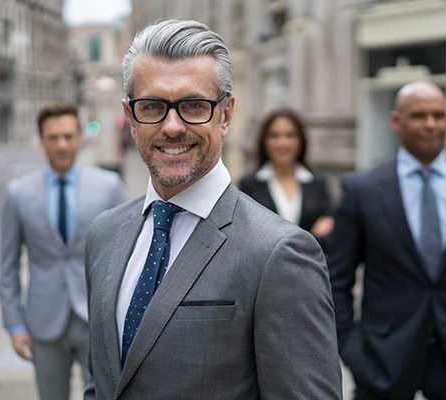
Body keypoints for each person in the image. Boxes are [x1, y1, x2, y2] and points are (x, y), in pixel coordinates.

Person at [84, 19, 342, 400]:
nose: (172, 127)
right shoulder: (104, 234)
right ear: (130, 117)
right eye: (153, 106)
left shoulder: (280, 253)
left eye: (193, 106)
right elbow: (103, 383)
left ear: (226, 114)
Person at [328, 81, 446, 400]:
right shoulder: (362, 189)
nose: (431, 124)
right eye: (419, 116)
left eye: (439, 115)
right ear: (396, 122)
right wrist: (350, 345)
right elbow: (337, 279)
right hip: (382, 360)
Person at [0, 102, 125, 400]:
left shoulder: (108, 186)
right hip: (43, 321)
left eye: (68, 136)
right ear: (41, 140)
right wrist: (14, 324)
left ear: (80, 137)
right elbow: (8, 266)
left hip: (95, 318)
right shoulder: (18, 193)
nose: (62, 145)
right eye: (53, 137)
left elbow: (127, 253)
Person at [239, 108, 333, 246]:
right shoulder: (249, 185)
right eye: (274, 136)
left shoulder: (317, 184)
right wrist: (311, 236)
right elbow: (246, 235)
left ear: (301, 140)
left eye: (290, 135)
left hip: (309, 265)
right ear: (264, 141)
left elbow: (329, 232)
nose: (283, 143)